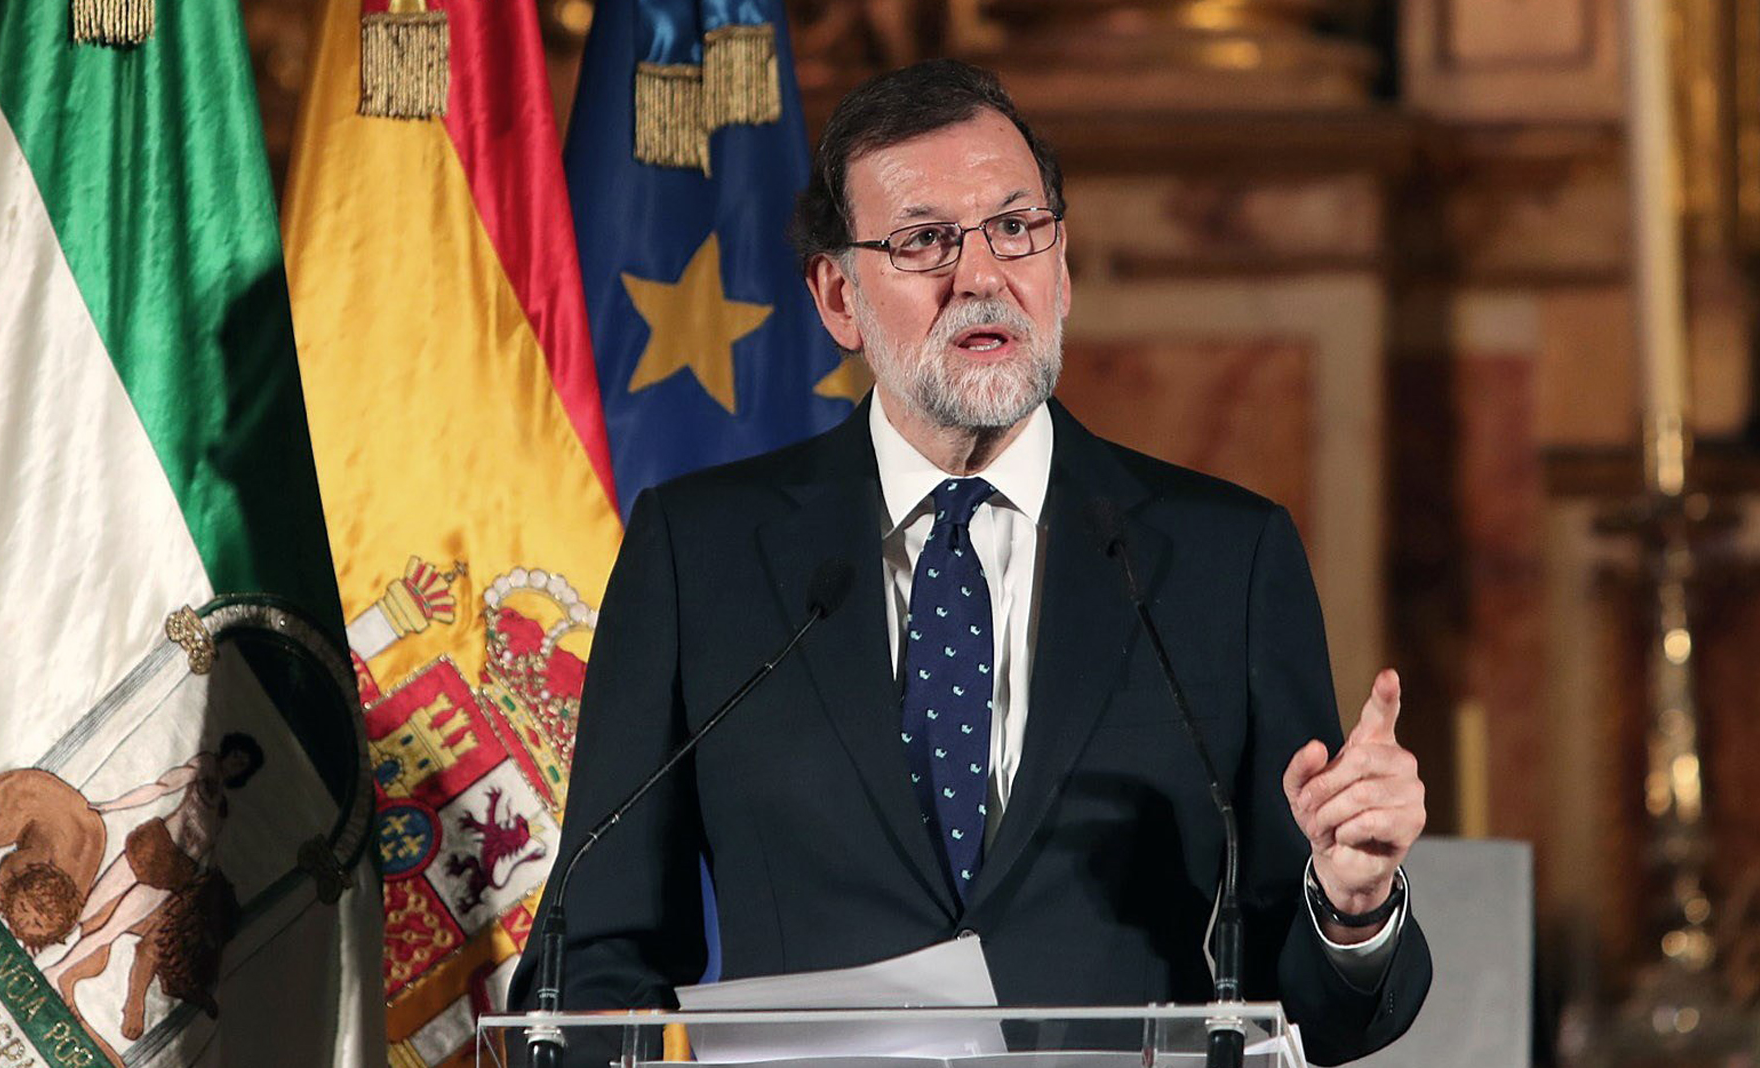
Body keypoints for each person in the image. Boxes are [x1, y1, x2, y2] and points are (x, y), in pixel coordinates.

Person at [510, 60, 1430, 1065]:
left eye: (1015, 227)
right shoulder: (701, 554)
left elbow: (1316, 1009)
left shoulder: (1222, 560)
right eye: (923, 241)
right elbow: (594, 957)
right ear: (838, 297)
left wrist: (1352, 905)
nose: (983, 276)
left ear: (1061, 269)